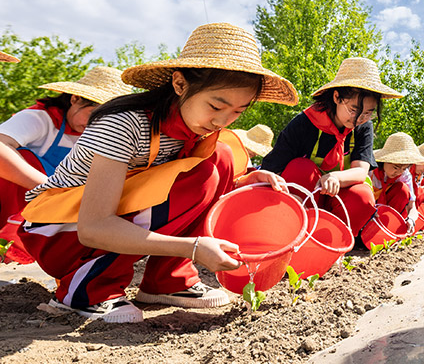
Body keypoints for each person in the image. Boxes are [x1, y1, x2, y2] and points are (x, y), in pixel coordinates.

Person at [18, 23, 298, 323]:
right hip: (59, 233)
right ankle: (87, 288)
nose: (222, 121)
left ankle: (168, 280)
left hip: (98, 224)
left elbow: (185, 193)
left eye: (238, 112)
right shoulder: (125, 124)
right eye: (216, 106)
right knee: (208, 168)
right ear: (179, 85)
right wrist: (193, 248)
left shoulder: (197, 132)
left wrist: (242, 183)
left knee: (221, 158)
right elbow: (94, 226)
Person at [0, 66, 132, 263]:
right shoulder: (40, 118)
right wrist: (51, 189)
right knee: (22, 158)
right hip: (19, 201)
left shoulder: (102, 138)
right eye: (93, 115)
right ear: (75, 99)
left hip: (56, 211)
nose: (95, 125)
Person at [260, 58, 402, 236]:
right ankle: (293, 232)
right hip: (305, 196)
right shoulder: (305, 123)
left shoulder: (364, 127)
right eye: (354, 109)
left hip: (340, 195)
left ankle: (334, 238)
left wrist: (335, 177)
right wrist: (286, 196)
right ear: (336, 97)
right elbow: (270, 170)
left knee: (362, 197)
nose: (359, 119)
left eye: (368, 113)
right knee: (301, 168)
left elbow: (360, 171)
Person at [368, 132, 424, 232]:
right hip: (367, 211)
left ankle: (388, 228)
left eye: (404, 168)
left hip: (388, 213)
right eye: (395, 167)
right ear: (384, 161)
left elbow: (412, 207)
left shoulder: (405, 176)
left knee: (403, 190)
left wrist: (411, 219)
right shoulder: (370, 170)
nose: (398, 172)